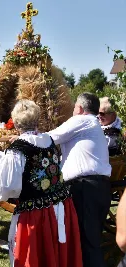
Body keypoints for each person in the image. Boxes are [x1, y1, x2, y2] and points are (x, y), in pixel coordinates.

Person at [0, 99, 82, 267]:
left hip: (37, 216)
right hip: (61, 206)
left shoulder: (18, 149)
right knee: (57, 256)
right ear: (37, 119)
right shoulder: (48, 140)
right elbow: (28, 161)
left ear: (16, 124)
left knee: (37, 258)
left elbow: (6, 187)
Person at [48, 92, 112, 267]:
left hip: (86, 188)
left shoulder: (82, 120)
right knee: (91, 241)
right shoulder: (93, 123)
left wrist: (25, 139)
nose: (73, 110)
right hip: (98, 187)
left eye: (75, 106)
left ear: (81, 108)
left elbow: (50, 138)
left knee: (88, 245)